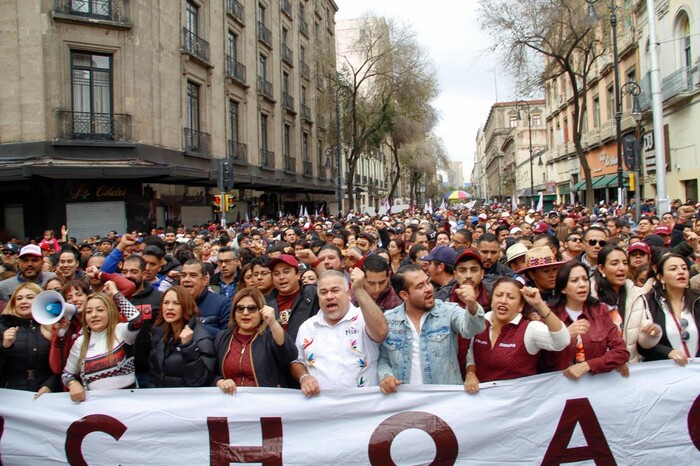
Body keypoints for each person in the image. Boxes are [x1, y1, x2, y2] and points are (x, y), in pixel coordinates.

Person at [378, 264, 486, 393]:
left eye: (428, 282)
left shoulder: (448, 312)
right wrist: (386, 376)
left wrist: (472, 305)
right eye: (420, 286)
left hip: (443, 401)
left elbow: (473, 329)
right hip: (404, 401)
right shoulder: (389, 320)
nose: (428, 289)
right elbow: (383, 358)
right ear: (404, 295)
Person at [292, 269, 388, 396]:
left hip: (363, 406)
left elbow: (381, 332)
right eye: (323, 292)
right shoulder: (307, 327)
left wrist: (359, 290)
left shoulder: (364, 318)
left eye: (335, 290)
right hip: (321, 407)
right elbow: (297, 361)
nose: (329, 296)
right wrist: (304, 377)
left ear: (348, 294)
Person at [464, 278, 569, 393]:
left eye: (511, 297)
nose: (503, 301)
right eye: (499, 295)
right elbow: (471, 356)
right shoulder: (480, 323)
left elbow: (562, 341)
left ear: (521, 306)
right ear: (492, 300)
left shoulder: (530, 329)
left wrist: (539, 305)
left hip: (519, 404)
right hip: (483, 402)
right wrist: (470, 373)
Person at [541, 261, 631, 379]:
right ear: (563, 288)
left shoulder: (600, 311)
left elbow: (621, 352)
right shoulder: (549, 314)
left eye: (585, 279)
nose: (582, 284)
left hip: (593, 385)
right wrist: (564, 335)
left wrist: (588, 365)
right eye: (574, 280)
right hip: (559, 387)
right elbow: (542, 359)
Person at [61, 282, 143, 402]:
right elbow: (67, 375)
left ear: (109, 311)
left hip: (129, 404)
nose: (94, 315)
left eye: (100, 310)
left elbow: (137, 320)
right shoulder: (80, 342)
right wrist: (73, 383)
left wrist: (116, 294)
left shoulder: (121, 331)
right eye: (88, 312)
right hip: (97, 407)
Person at [214, 287, 297, 393]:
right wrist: (220, 382)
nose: (245, 313)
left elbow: (290, 355)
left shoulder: (271, 336)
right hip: (231, 402)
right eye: (240, 308)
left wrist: (273, 322)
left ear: (261, 312)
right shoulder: (222, 338)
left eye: (251, 308)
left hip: (265, 403)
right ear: (234, 313)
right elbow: (211, 374)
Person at [639, 253, 700, 365]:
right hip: (665, 374)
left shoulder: (698, 300)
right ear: (661, 277)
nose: (681, 272)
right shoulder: (648, 303)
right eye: (673, 269)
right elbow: (640, 345)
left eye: (684, 268)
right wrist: (667, 352)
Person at [149, 286, 215, 387]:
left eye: (176, 303)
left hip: (186, 401)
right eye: (166, 303)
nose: (169, 307)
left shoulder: (201, 337)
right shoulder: (159, 335)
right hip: (161, 400)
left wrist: (189, 347)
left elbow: (200, 381)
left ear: (186, 306)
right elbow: (154, 376)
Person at [0, 283, 59, 396]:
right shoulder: (2, 326)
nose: (23, 301)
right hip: (10, 394)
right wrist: (4, 347)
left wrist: (50, 384)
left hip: (46, 394)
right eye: (19, 298)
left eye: (30, 297)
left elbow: (63, 362)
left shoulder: (53, 326)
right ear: (13, 304)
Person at [264, 255, 319, 341]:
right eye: (276, 274)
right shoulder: (266, 302)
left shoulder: (312, 293)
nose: (281, 277)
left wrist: (316, 263)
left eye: (286, 272)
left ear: (298, 275)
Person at [180, 260, 231, 335]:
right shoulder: (173, 303)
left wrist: (196, 327)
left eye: (193, 275)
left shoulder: (223, 304)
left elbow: (226, 337)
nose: (187, 279)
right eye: (183, 275)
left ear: (205, 279)